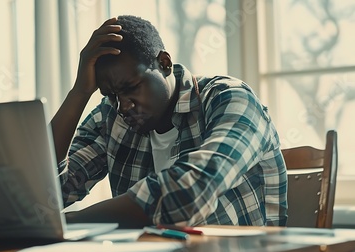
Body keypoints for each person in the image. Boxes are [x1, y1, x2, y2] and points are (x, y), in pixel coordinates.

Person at [51, 15, 287, 228]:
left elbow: (191, 192)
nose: (123, 106)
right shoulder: (111, 118)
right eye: (112, 95)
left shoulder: (230, 98)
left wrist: (70, 222)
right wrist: (79, 93)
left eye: (131, 87)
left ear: (164, 63)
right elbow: (44, 193)